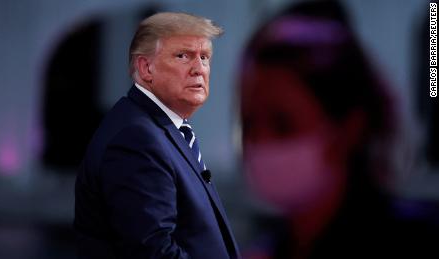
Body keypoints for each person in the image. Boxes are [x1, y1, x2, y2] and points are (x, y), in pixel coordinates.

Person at [238, 1, 439, 258]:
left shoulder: (418, 242)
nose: (260, 142)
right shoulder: (263, 251)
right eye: (249, 122)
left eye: (283, 125)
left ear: (348, 127)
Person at [74, 12, 239, 259]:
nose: (199, 69)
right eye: (183, 56)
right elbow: (153, 251)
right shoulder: (136, 138)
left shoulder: (161, 129)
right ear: (146, 67)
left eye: (204, 57)